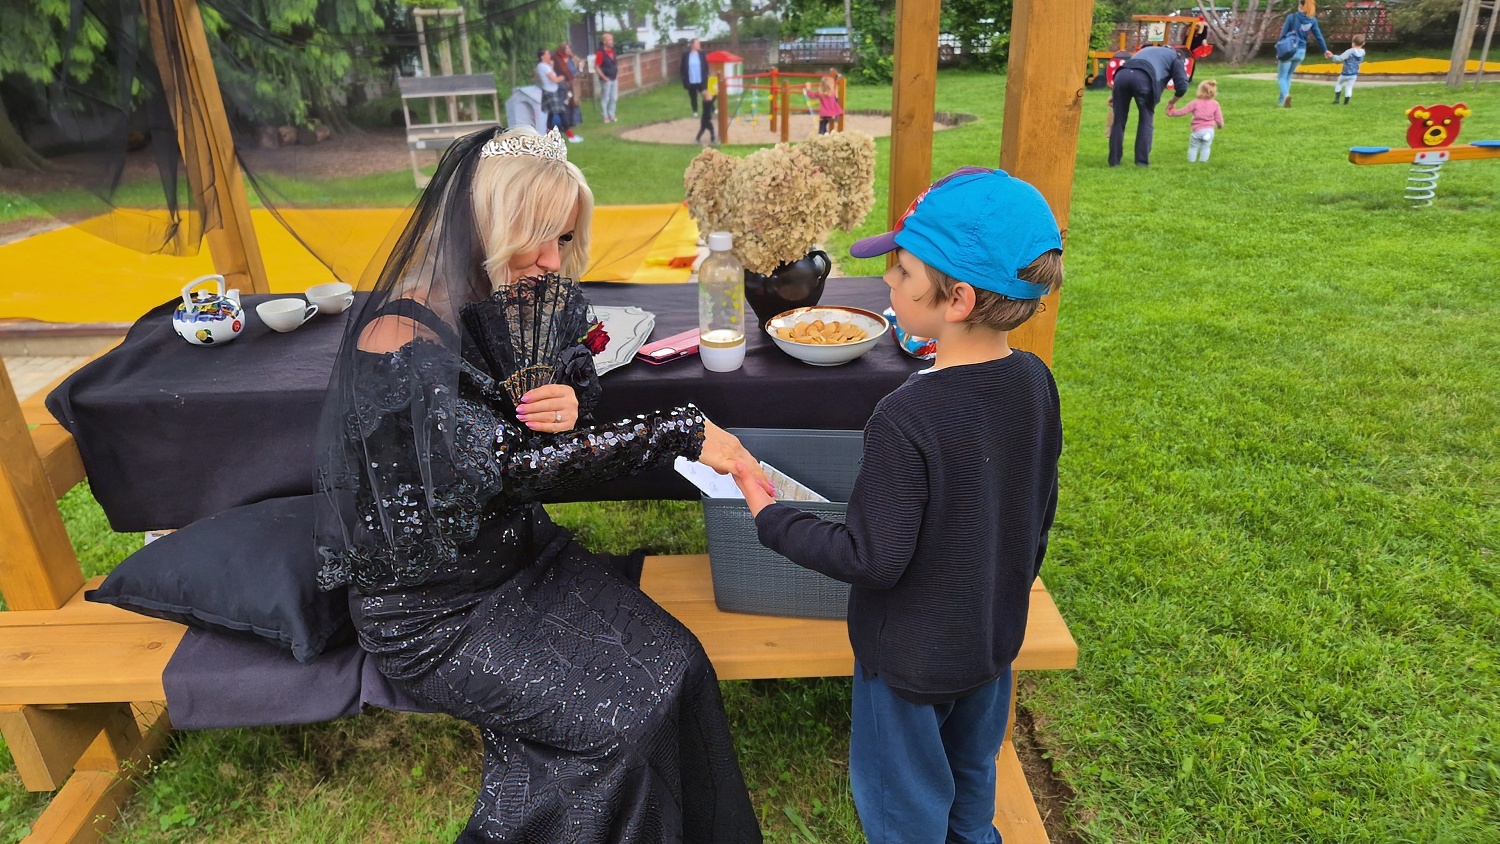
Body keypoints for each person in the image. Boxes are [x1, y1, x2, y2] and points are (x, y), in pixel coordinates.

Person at [313, 126, 769, 843]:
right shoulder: (399, 339)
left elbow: (565, 374)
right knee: (619, 728)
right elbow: (506, 466)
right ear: (488, 229)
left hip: (526, 558)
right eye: (538, 239)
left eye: (563, 238)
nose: (554, 261)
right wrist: (676, 433)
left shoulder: (512, 290)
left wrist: (568, 398)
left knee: (680, 663)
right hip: (434, 614)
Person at [729, 166, 1063, 844]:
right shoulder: (1036, 380)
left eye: (903, 271)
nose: (888, 279)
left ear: (958, 299)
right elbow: (1038, 512)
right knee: (973, 783)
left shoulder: (904, 415)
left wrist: (770, 515)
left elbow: (871, 559)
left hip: (907, 663)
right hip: (991, 643)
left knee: (905, 812)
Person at [1108, 45, 1190, 167]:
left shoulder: (1147, 49)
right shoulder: (1175, 57)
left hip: (1121, 75)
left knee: (1118, 121)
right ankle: (1141, 162)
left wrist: (1115, 95)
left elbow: (1131, 70)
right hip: (1144, 79)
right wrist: (1172, 102)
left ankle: (1114, 162)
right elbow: (1182, 86)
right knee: (1146, 120)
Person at [1276, 0, 1332, 108]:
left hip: (1289, 50)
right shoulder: (1312, 20)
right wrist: (1325, 50)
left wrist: (1279, 50)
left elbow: (1283, 35)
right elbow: (1318, 36)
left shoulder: (1292, 17)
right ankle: (1281, 102)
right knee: (1288, 76)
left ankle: (1286, 96)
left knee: (1282, 77)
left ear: (1301, 5)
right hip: (1301, 52)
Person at [1166, 79, 1225, 163]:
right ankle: (1203, 162)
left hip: (1197, 130)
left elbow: (1183, 111)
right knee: (1206, 147)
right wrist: (1220, 125)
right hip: (1209, 131)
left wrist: (1171, 113)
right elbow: (1219, 118)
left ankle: (1191, 162)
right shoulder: (1215, 104)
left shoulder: (1195, 103)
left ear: (1199, 91)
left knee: (1193, 147)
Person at [535, 48, 580, 142]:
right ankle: (571, 136)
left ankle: (549, 135)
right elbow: (554, 79)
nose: (549, 56)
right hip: (550, 92)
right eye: (547, 54)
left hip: (551, 91)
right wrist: (563, 77)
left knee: (551, 114)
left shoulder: (545, 66)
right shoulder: (543, 66)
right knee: (561, 112)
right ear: (542, 57)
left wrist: (551, 66)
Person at [1329, 34, 1367, 105]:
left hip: (1345, 73)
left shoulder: (1349, 51)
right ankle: (1346, 102)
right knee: (1349, 87)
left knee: (1339, 83)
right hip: (1354, 74)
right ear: (1363, 43)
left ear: (1353, 43)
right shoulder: (1363, 52)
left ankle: (1337, 100)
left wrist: (1332, 56)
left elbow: (1339, 59)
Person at [803, 70, 844, 134]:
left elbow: (811, 95)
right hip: (834, 113)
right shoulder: (833, 92)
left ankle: (822, 132)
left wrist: (808, 88)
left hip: (825, 114)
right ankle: (827, 132)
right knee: (831, 122)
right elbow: (836, 97)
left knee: (822, 123)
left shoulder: (820, 93)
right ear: (831, 86)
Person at [553, 42, 583, 129]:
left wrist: (580, 67)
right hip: (562, 84)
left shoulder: (572, 58)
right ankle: (566, 122)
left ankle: (575, 121)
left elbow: (580, 64)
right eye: (566, 49)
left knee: (575, 102)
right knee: (565, 102)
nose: (568, 50)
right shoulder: (557, 60)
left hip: (573, 84)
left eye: (569, 48)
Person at [594, 33, 619, 123]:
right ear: (604, 42)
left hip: (614, 77)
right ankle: (605, 115)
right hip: (606, 79)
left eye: (612, 40)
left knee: (613, 97)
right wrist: (604, 77)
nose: (611, 42)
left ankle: (612, 114)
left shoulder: (613, 50)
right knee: (605, 98)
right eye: (609, 40)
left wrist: (617, 73)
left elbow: (615, 63)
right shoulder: (600, 52)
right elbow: (597, 67)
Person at [680, 38, 708, 116]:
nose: (699, 45)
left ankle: (711, 108)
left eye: (699, 43)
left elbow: (705, 65)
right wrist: (683, 77)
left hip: (701, 79)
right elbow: (682, 67)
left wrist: (706, 74)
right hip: (691, 79)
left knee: (705, 95)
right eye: (697, 44)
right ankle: (695, 111)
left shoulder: (702, 54)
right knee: (693, 96)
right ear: (692, 45)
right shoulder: (686, 55)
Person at [697, 75, 719, 145]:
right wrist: (716, 94)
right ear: (706, 98)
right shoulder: (707, 103)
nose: (710, 96)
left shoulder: (705, 102)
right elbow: (712, 101)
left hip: (704, 119)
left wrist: (714, 95)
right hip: (706, 120)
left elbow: (711, 101)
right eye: (709, 96)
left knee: (702, 129)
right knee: (711, 129)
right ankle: (713, 141)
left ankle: (697, 139)